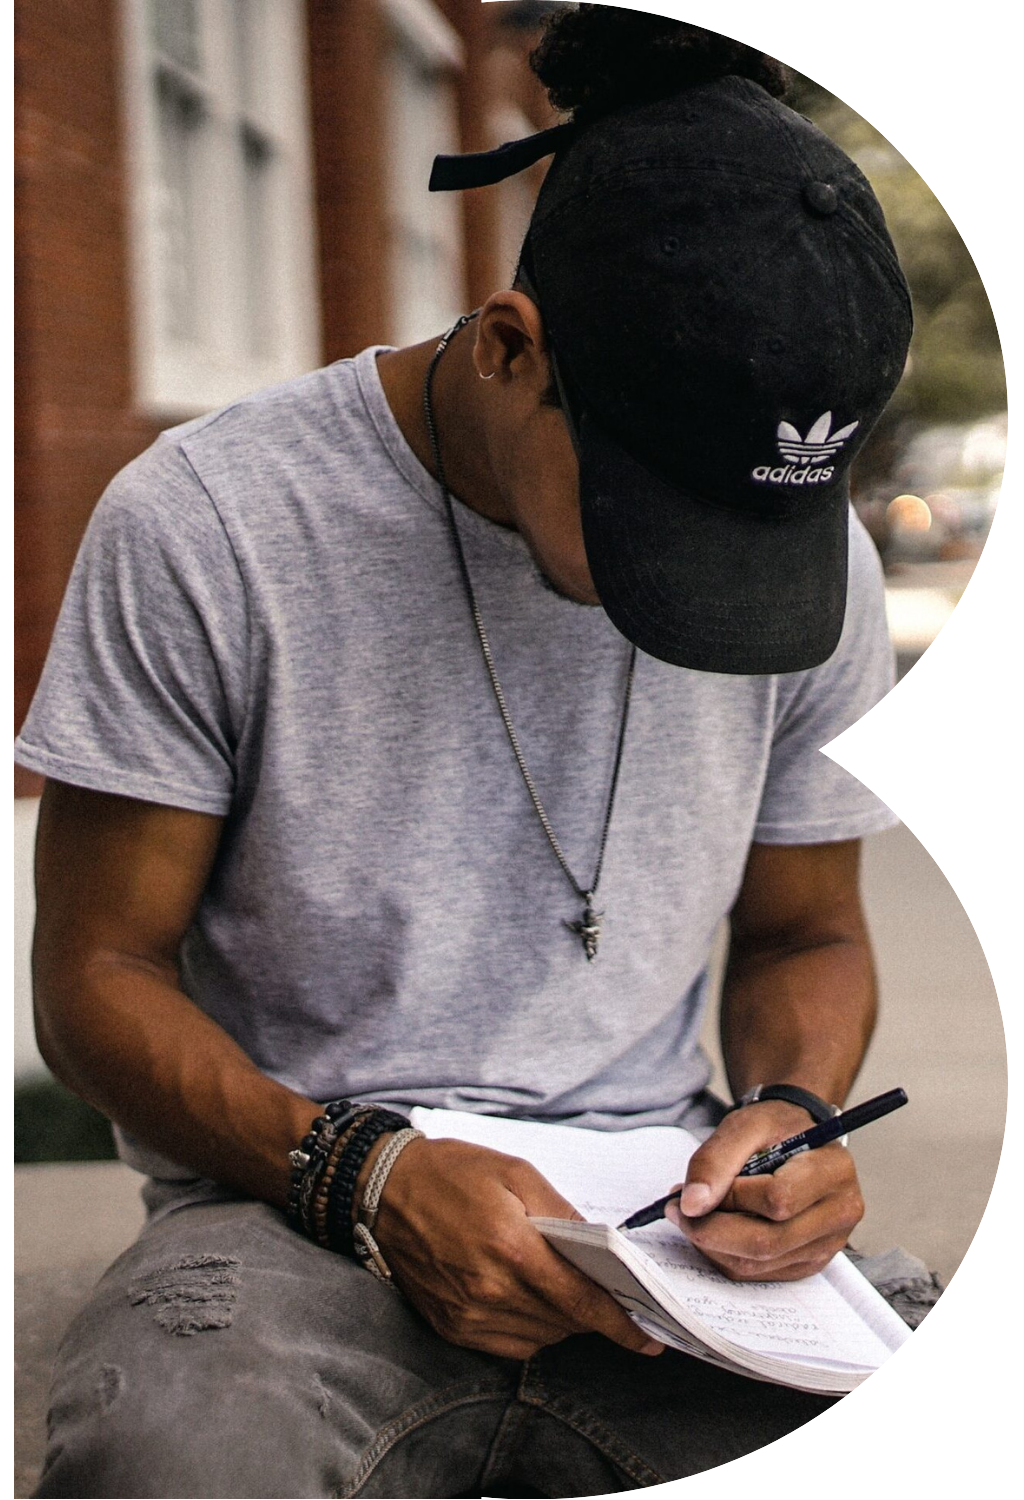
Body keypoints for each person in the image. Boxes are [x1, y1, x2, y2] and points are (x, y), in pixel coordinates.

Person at [16, 9, 937, 1497]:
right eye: (658, 524)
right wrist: (363, 1171)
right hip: (291, 1217)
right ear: (515, 349)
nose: (704, 582)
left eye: (749, 531)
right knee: (177, 1458)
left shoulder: (815, 561)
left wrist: (788, 1115)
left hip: (665, 1239)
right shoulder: (212, 520)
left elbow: (807, 930)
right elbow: (96, 977)